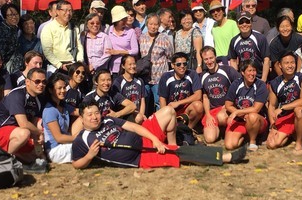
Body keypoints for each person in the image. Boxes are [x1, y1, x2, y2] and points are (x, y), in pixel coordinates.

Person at [71, 100, 247, 169]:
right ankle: (226, 157)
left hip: (143, 138)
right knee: (179, 154)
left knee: (169, 111)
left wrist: (154, 139)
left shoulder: (107, 120)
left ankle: (171, 144)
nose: (95, 117)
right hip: (138, 157)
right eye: (89, 115)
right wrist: (89, 156)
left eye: (96, 113)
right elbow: (76, 164)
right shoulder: (81, 140)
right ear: (82, 118)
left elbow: (134, 127)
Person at [0, 67, 48, 172]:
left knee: (35, 158)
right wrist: (39, 133)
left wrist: (38, 145)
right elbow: (24, 124)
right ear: (27, 82)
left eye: (44, 82)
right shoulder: (17, 94)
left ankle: (4, 155)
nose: (41, 84)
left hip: (16, 133)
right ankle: (2, 163)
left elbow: (33, 123)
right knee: (25, 133)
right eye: (37, 81)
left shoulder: (39, 99)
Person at [266, 51, 302, 153]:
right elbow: (272, 105)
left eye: (292, 62)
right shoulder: (274, 83)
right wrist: (273, 124)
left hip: (300, 114)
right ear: (280, 65)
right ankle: (292, 134)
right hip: (285, 117)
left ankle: (299, 143)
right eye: (286, 63)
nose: (290, 66)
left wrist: (282, 108)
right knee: (272, 144)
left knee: (299, 110)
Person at [224, 59, 268, 151]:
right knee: (229, 145)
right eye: (249, 71)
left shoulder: (261, 85)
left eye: (254, 70)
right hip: (241, 119)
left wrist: (237, 112)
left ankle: (252, 141)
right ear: (243, 73)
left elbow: (256, 109)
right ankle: (246, 136)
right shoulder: (236, 84)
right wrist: (240, 114)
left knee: (252, 116)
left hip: (257, 120)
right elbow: (228, 105)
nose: (252, 73)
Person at [200, 46, 240, 144]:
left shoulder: (228, 70)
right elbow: (205, 97)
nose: (209, 61)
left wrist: (229, 105)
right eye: (206, 59)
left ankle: (230, 130)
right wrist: (208, 115)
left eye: (211, 58)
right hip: (213, 111)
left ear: (215, 57)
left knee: (221, 117)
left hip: (227, 108)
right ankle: (220, 130)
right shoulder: (203, 76)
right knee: (209, 139)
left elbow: (240, 87)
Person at [158, 52, 204, 129]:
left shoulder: (192, 74)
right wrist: (164, 115)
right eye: (178, 64)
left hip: (186, 108)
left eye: (184, 64)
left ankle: (188, 129)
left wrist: (178, 103)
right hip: (171, 109)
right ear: (172, 65)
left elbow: (198, 95)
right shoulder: (166, 77)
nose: (182, 66)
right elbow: (162, 99)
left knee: (198, 106)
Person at [139, 13, 173, 112]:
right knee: (144, 103)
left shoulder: (164, 38)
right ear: (147, 24)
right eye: (151, 24)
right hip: (145, 77)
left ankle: (160, 120)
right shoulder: (142, 37)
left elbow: (170, 56)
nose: (153, 27)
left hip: (159, 78)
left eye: (155, 24)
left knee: (159, 102)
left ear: (159, 25)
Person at [43, 73, 79, 164]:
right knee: (85, 145)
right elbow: (58, 138)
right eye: (59, 88)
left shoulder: (64, 106)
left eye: (64, 88)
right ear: (51, 90)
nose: (63, 91)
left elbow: (81, 112)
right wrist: (78, 138)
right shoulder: (50, 110)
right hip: (55, 150)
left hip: (66, 144)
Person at [41, 0, 83, 75]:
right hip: (55, 66)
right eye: (65, 10)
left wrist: (79, 62)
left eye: (70, 10)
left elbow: (79, 46)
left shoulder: (74, 28)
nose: (68, 13)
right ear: (57, 11)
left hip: (73, 66)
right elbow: (47, 50)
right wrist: (60, 65)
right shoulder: (48, 28)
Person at [228, 12, 270, 82]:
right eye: (241, 22)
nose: (244, 24)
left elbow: (266, 59)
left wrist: (263, 79)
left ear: (251, 23)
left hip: (258, 78)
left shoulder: (260, 38)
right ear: (237, 24)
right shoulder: (234, 41)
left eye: (247, 21)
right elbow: (233, 60)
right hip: (243, 79)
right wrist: (237, 79)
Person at [113, 55, 147, 124]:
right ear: (123, 66)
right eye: (130, 64)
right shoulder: (118, 81)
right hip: (125, 114)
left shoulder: (139, 81)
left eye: (134, 64)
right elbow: (117, 103)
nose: (133, 66)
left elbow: (142, 100)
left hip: (138, 114)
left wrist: (141, 114)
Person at [107, 6, 139, 77]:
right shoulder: (108, 31)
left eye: (125, 18)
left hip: (127, 69)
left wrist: (119, 52)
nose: (125, 21)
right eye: (122, 19)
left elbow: (135, 50)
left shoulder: (131, 32)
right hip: (113, 69)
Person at [0, 3, 22, 73]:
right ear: (5, 17)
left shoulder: (15, 29)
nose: (14, 17)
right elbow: (0, 54)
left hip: (17, 68)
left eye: (16, 14)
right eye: (10, 15)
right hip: (6, 70)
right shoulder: (1, 31)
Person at [82, 12, 112, 80]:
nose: (95, 25)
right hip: (86, 72)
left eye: (97, 23)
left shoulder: (104, 37)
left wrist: (94, 66)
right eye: (92, 23)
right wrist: (86, 67)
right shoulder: (83, 37)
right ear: (87, 24)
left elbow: (108, 54)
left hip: (100, 73)